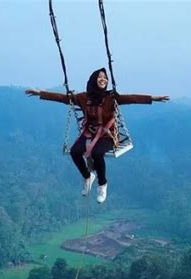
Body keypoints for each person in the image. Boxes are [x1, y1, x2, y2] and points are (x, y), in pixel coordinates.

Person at [26, 68, 169, 203]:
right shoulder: (83, 97)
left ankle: (102, 184)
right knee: (75, 152)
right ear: (93, 80)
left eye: (105, 78)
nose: (103, 80)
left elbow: (132, 98)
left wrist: (153, 98)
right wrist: (40, 93)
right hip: (90, 133)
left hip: (107, 136)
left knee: (97, 153)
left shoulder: (111, 98)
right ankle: (88, 177)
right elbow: (63, 98)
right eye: (100, 77)